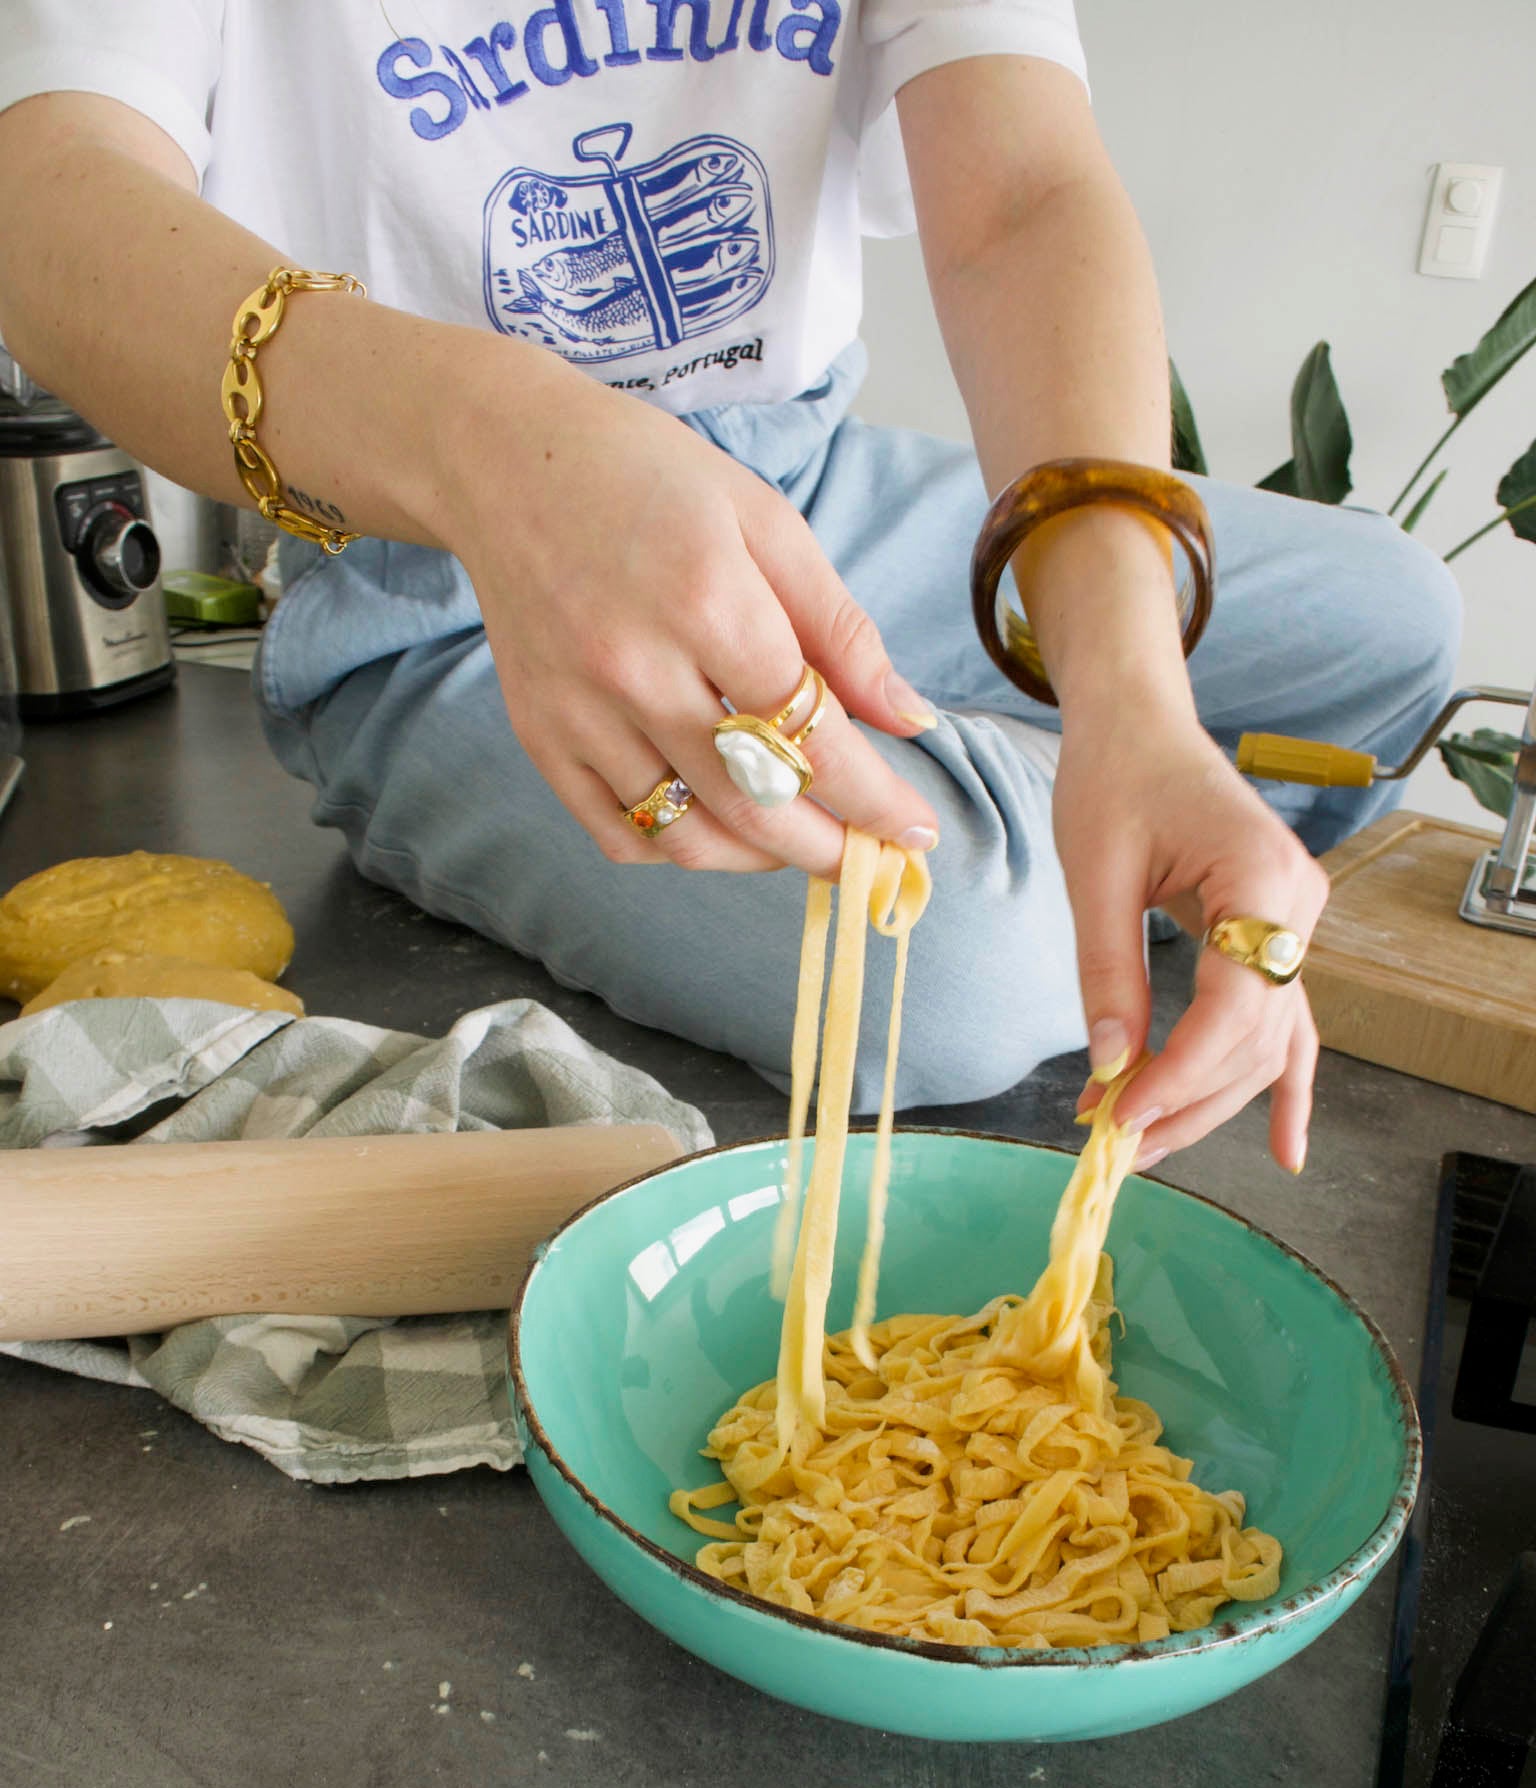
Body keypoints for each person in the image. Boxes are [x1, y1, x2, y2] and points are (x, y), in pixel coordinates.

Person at [0, 2, 1460, 1173]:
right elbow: (49, 197)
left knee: (1388, 630)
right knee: (962, 967)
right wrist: (503, 452)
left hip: (805, 480)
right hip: (436, 563)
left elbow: (1022, 193)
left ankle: (1051, 817)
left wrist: (1133, 692)